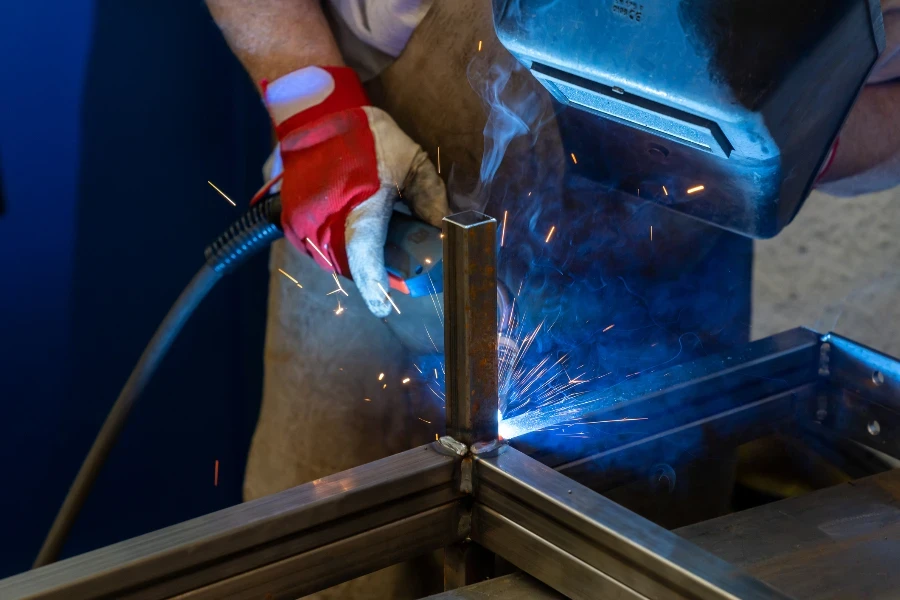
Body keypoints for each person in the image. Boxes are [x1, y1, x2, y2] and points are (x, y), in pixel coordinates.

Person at [205, 0, 900, 597]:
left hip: (668, 323)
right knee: (328, 568)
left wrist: (804, 123)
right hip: (374, 219)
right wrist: (311, 106)